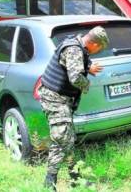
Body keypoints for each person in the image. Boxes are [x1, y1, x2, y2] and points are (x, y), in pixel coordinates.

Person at [39, 26, 109, 191]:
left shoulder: (76, 43)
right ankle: (53, 182)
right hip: (54, 99)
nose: (96, 52)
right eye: (99, 49)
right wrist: (87, 84)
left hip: (60, 99)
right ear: (95, 44)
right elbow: (75, 77)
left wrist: (88, 67)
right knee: (64, 138)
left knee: (65, 138)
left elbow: (78, 62)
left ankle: (71, 178)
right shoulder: (74, 49)